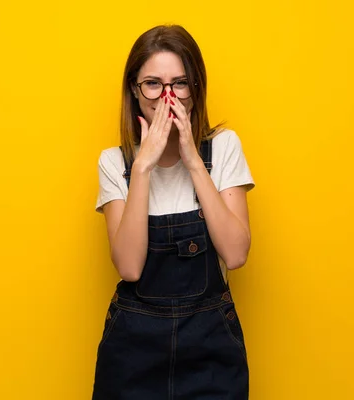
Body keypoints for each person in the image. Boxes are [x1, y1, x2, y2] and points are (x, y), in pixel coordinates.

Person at [92, 24, 255, 399]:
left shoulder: (224, 150)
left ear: (195, 92)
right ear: (134, 92)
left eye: (179, 83)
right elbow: (129, 267)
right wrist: (144, 166)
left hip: (210, 348)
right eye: (153, 83)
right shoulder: (114, 163)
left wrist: (193, 161)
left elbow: (236, 254)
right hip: (134, 352)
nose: (167, 97)